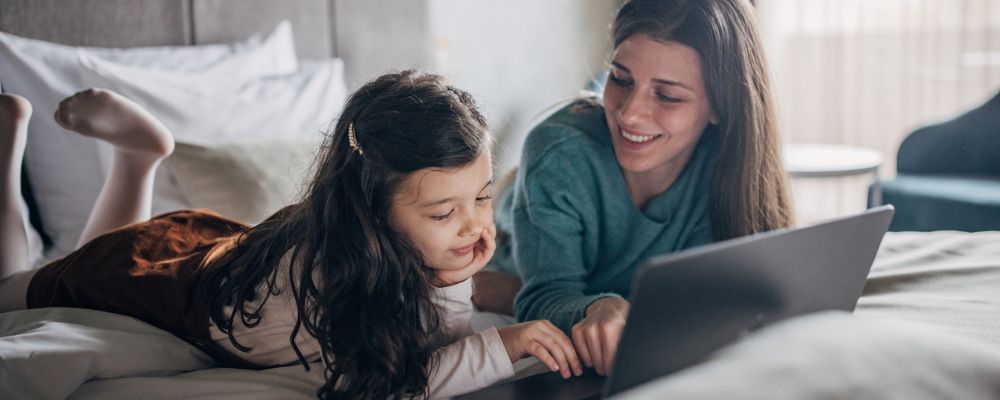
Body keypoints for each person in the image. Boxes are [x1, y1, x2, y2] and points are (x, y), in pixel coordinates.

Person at [0, 70, 583, 399]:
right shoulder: (322, 291)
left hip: (225, 246)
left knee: (93, 254)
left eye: (481, 197)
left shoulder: (370, 241)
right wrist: (500, 343)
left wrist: (461, 275)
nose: (476, 225)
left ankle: (140, 157)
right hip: (175, 286)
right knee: (21, 286)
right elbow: (389, 385)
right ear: (372, 213)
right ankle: (28, 147)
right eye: (442, 214)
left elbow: (436, 325)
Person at [475, 0, 794, 377]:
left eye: (668, 95)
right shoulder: (559, 154)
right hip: (515, 264)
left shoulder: (730, 167)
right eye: (621, 79)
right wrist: (596, 307)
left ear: (719, 107)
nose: (629, 113)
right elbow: (543, 295)